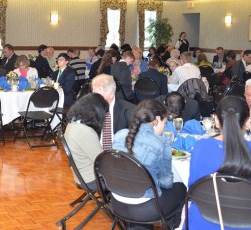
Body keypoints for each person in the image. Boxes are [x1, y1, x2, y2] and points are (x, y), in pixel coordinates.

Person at [188, 96, 251, 229]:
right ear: (248, 122)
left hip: (203, 223)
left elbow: (192, 187)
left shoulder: (200, 147)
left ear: (215, 120)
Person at [112, 99, 186, 230]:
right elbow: (166, 183)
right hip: (146, 209)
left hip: (117, 202)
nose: (164, 127)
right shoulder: (161, 144)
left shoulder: (119, 135)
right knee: (182, 189)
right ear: (156, 120)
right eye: (164, 123)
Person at [64, 93, 109, 190]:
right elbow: (101, 162)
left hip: (81, 175)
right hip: (91, 179)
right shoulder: (85, 132)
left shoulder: (72, 124)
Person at [91, 74, 135, 149]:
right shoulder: (90, 108)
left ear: (111, 94)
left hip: (119, 152)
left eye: (98, 95)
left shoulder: (129, 111)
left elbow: (133, 140)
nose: (94, 98)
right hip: (96, 151)